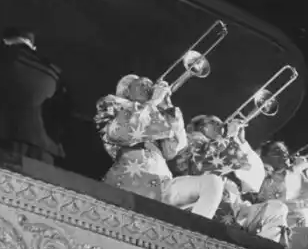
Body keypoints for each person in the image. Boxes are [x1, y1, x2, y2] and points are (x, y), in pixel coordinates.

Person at [95, 75, 224, 218]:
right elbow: (121, 132)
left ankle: (197, 230)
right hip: (131, 182)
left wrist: (166, 106)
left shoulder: (155, 113)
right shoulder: (113, 104)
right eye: (142, 84)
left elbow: (175, 149)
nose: (148, 87)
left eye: (149, 84)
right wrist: (153, 102)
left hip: (162, 183)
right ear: (126, 91)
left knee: (212, 182)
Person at [171, 115, 289, 243]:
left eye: (221, 123)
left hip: (234, 208)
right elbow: (200, 165)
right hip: (200, 202)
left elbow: (254, 181)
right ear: (200, 127)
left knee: (277, 208)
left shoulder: (226, 146)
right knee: (215, 184)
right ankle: (192, 239)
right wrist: (227, 136)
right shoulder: (192, 139)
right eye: (213, 122)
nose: (220, 125)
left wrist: (241, 141)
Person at [0, 28, 68, 164]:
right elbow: (61, 117)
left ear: (5, 39)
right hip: (42, 150)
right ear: (32, 44)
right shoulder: (54, 72)